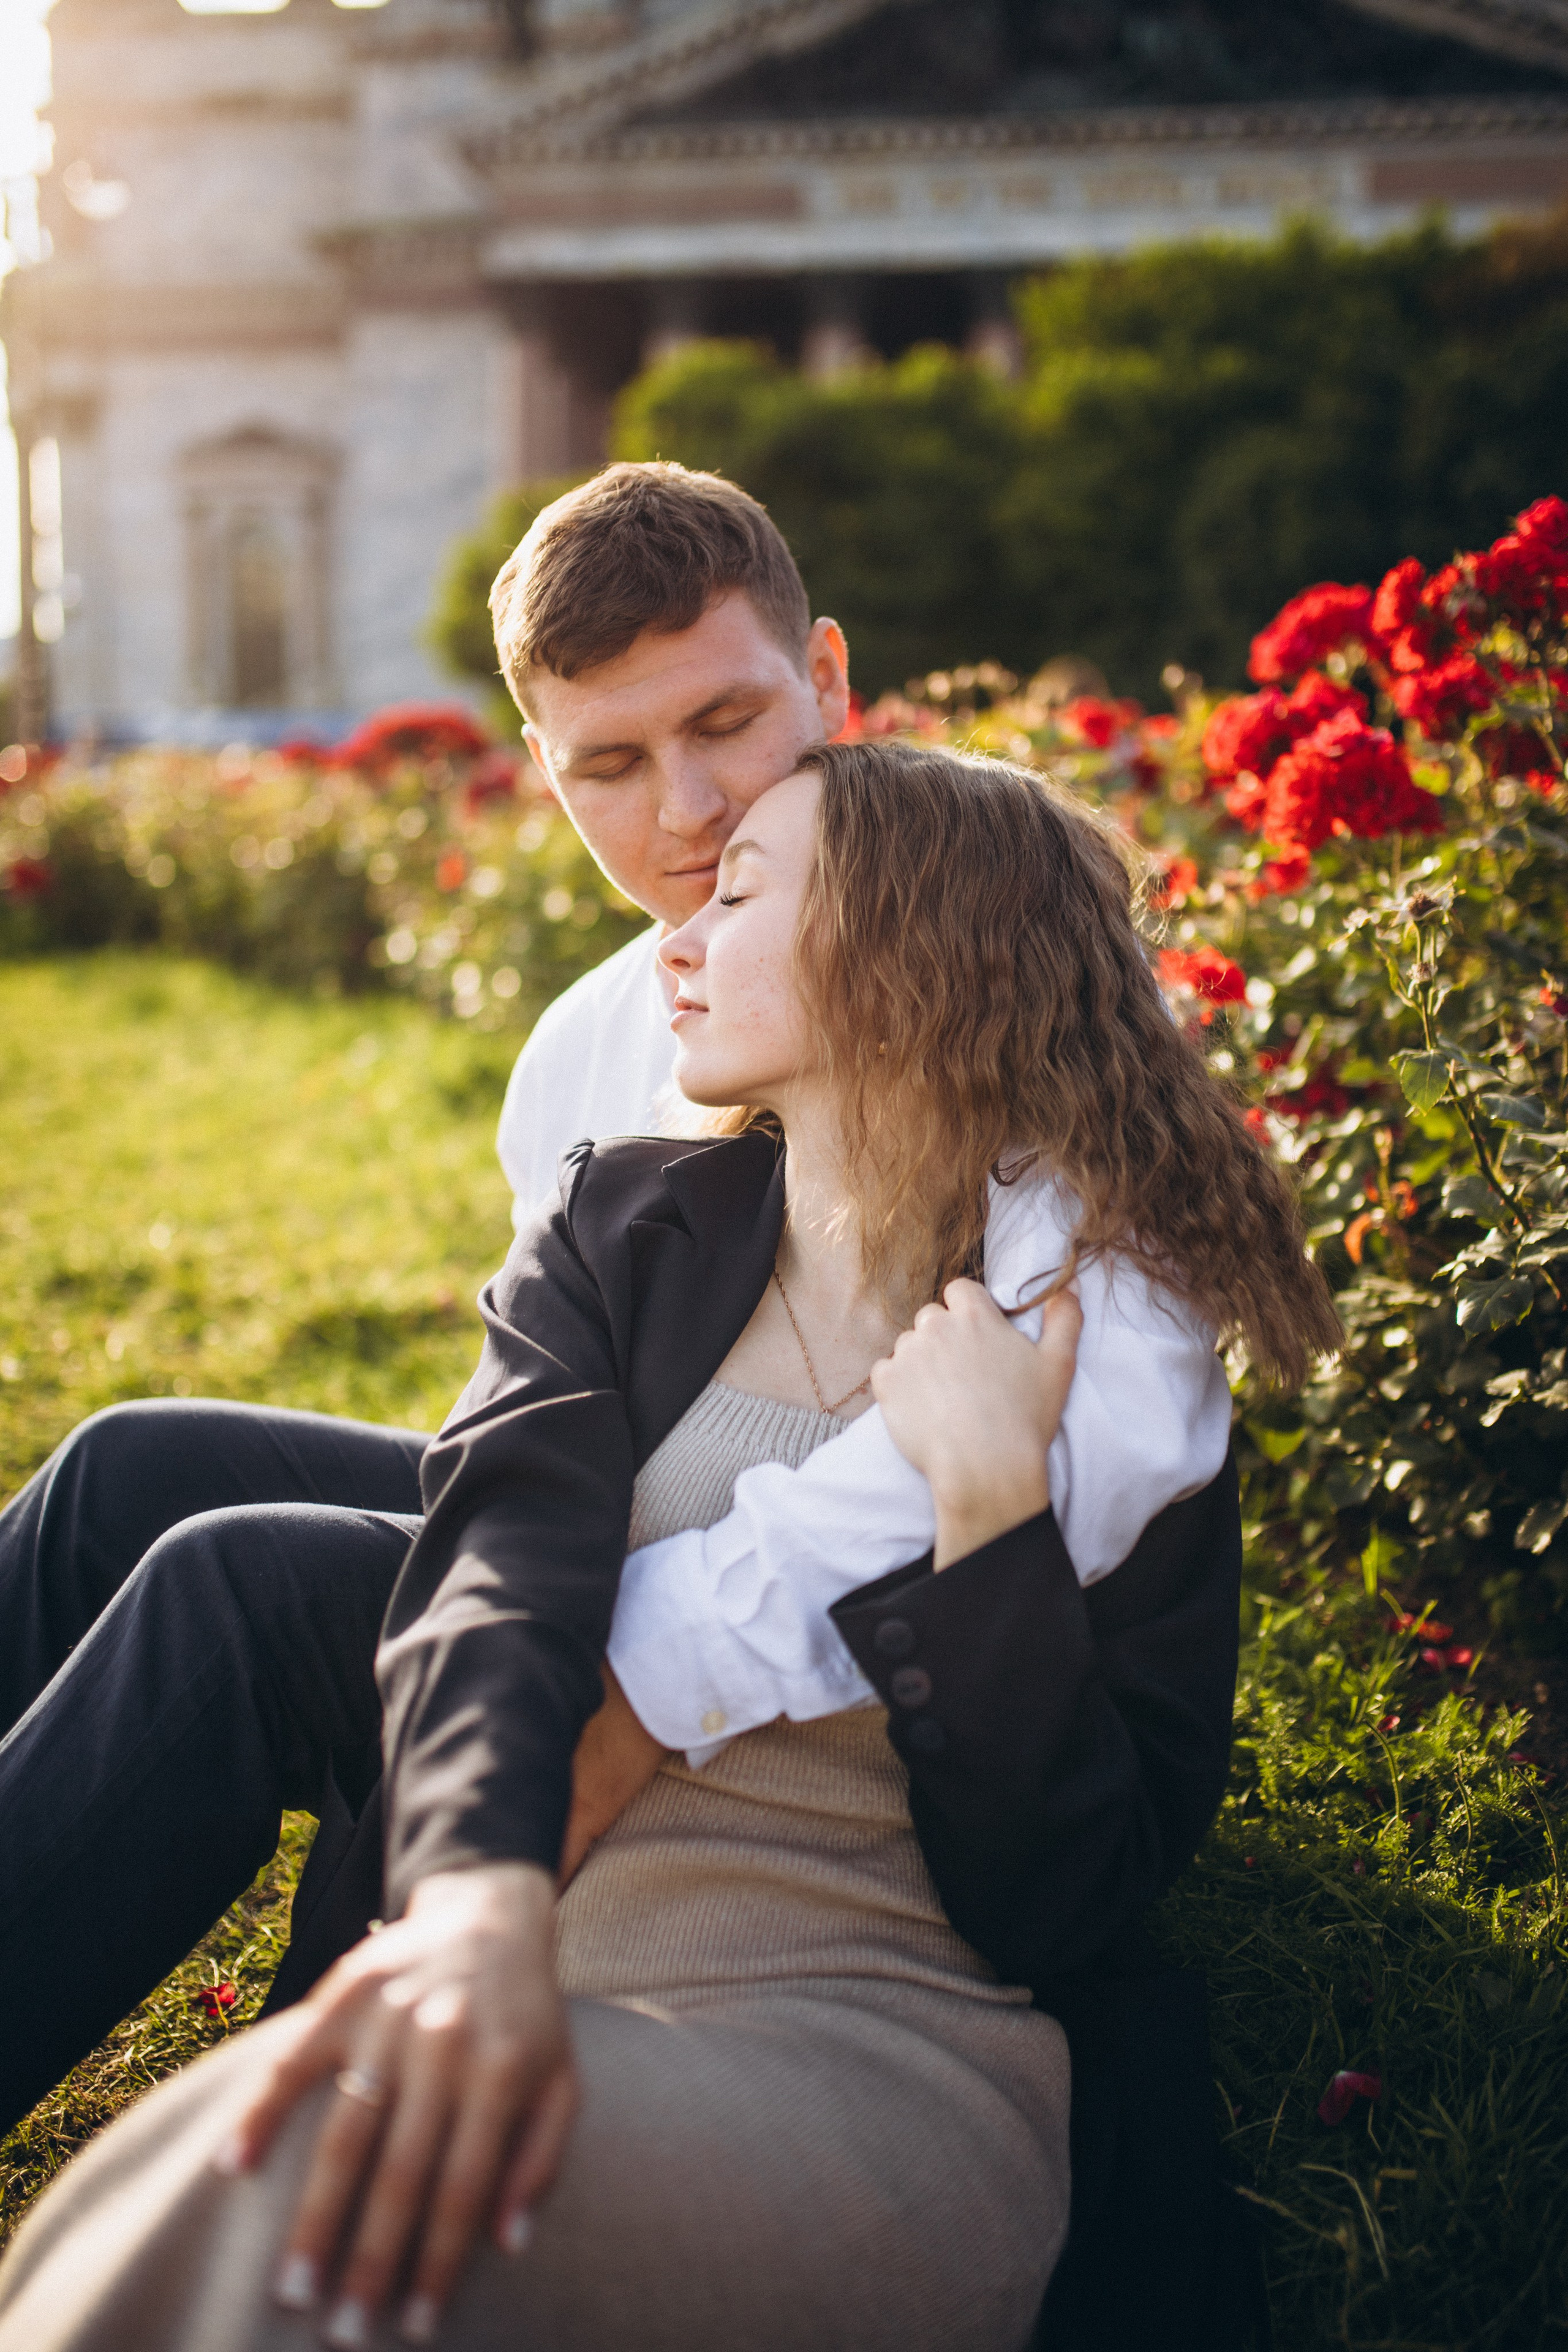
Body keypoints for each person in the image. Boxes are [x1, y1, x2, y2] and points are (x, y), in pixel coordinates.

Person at [0, 737, 1340, 2352]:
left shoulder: (1090, 1350)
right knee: (172, 2198)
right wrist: (475, 1895)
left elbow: (1073, 1891)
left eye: (741, 896)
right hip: (538, 1936)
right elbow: (499, 1554)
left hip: (853, 2038)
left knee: (286, 2210)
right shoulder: (626, 1224)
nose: (676, 941)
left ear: (904, 962)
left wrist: (990, 1519)